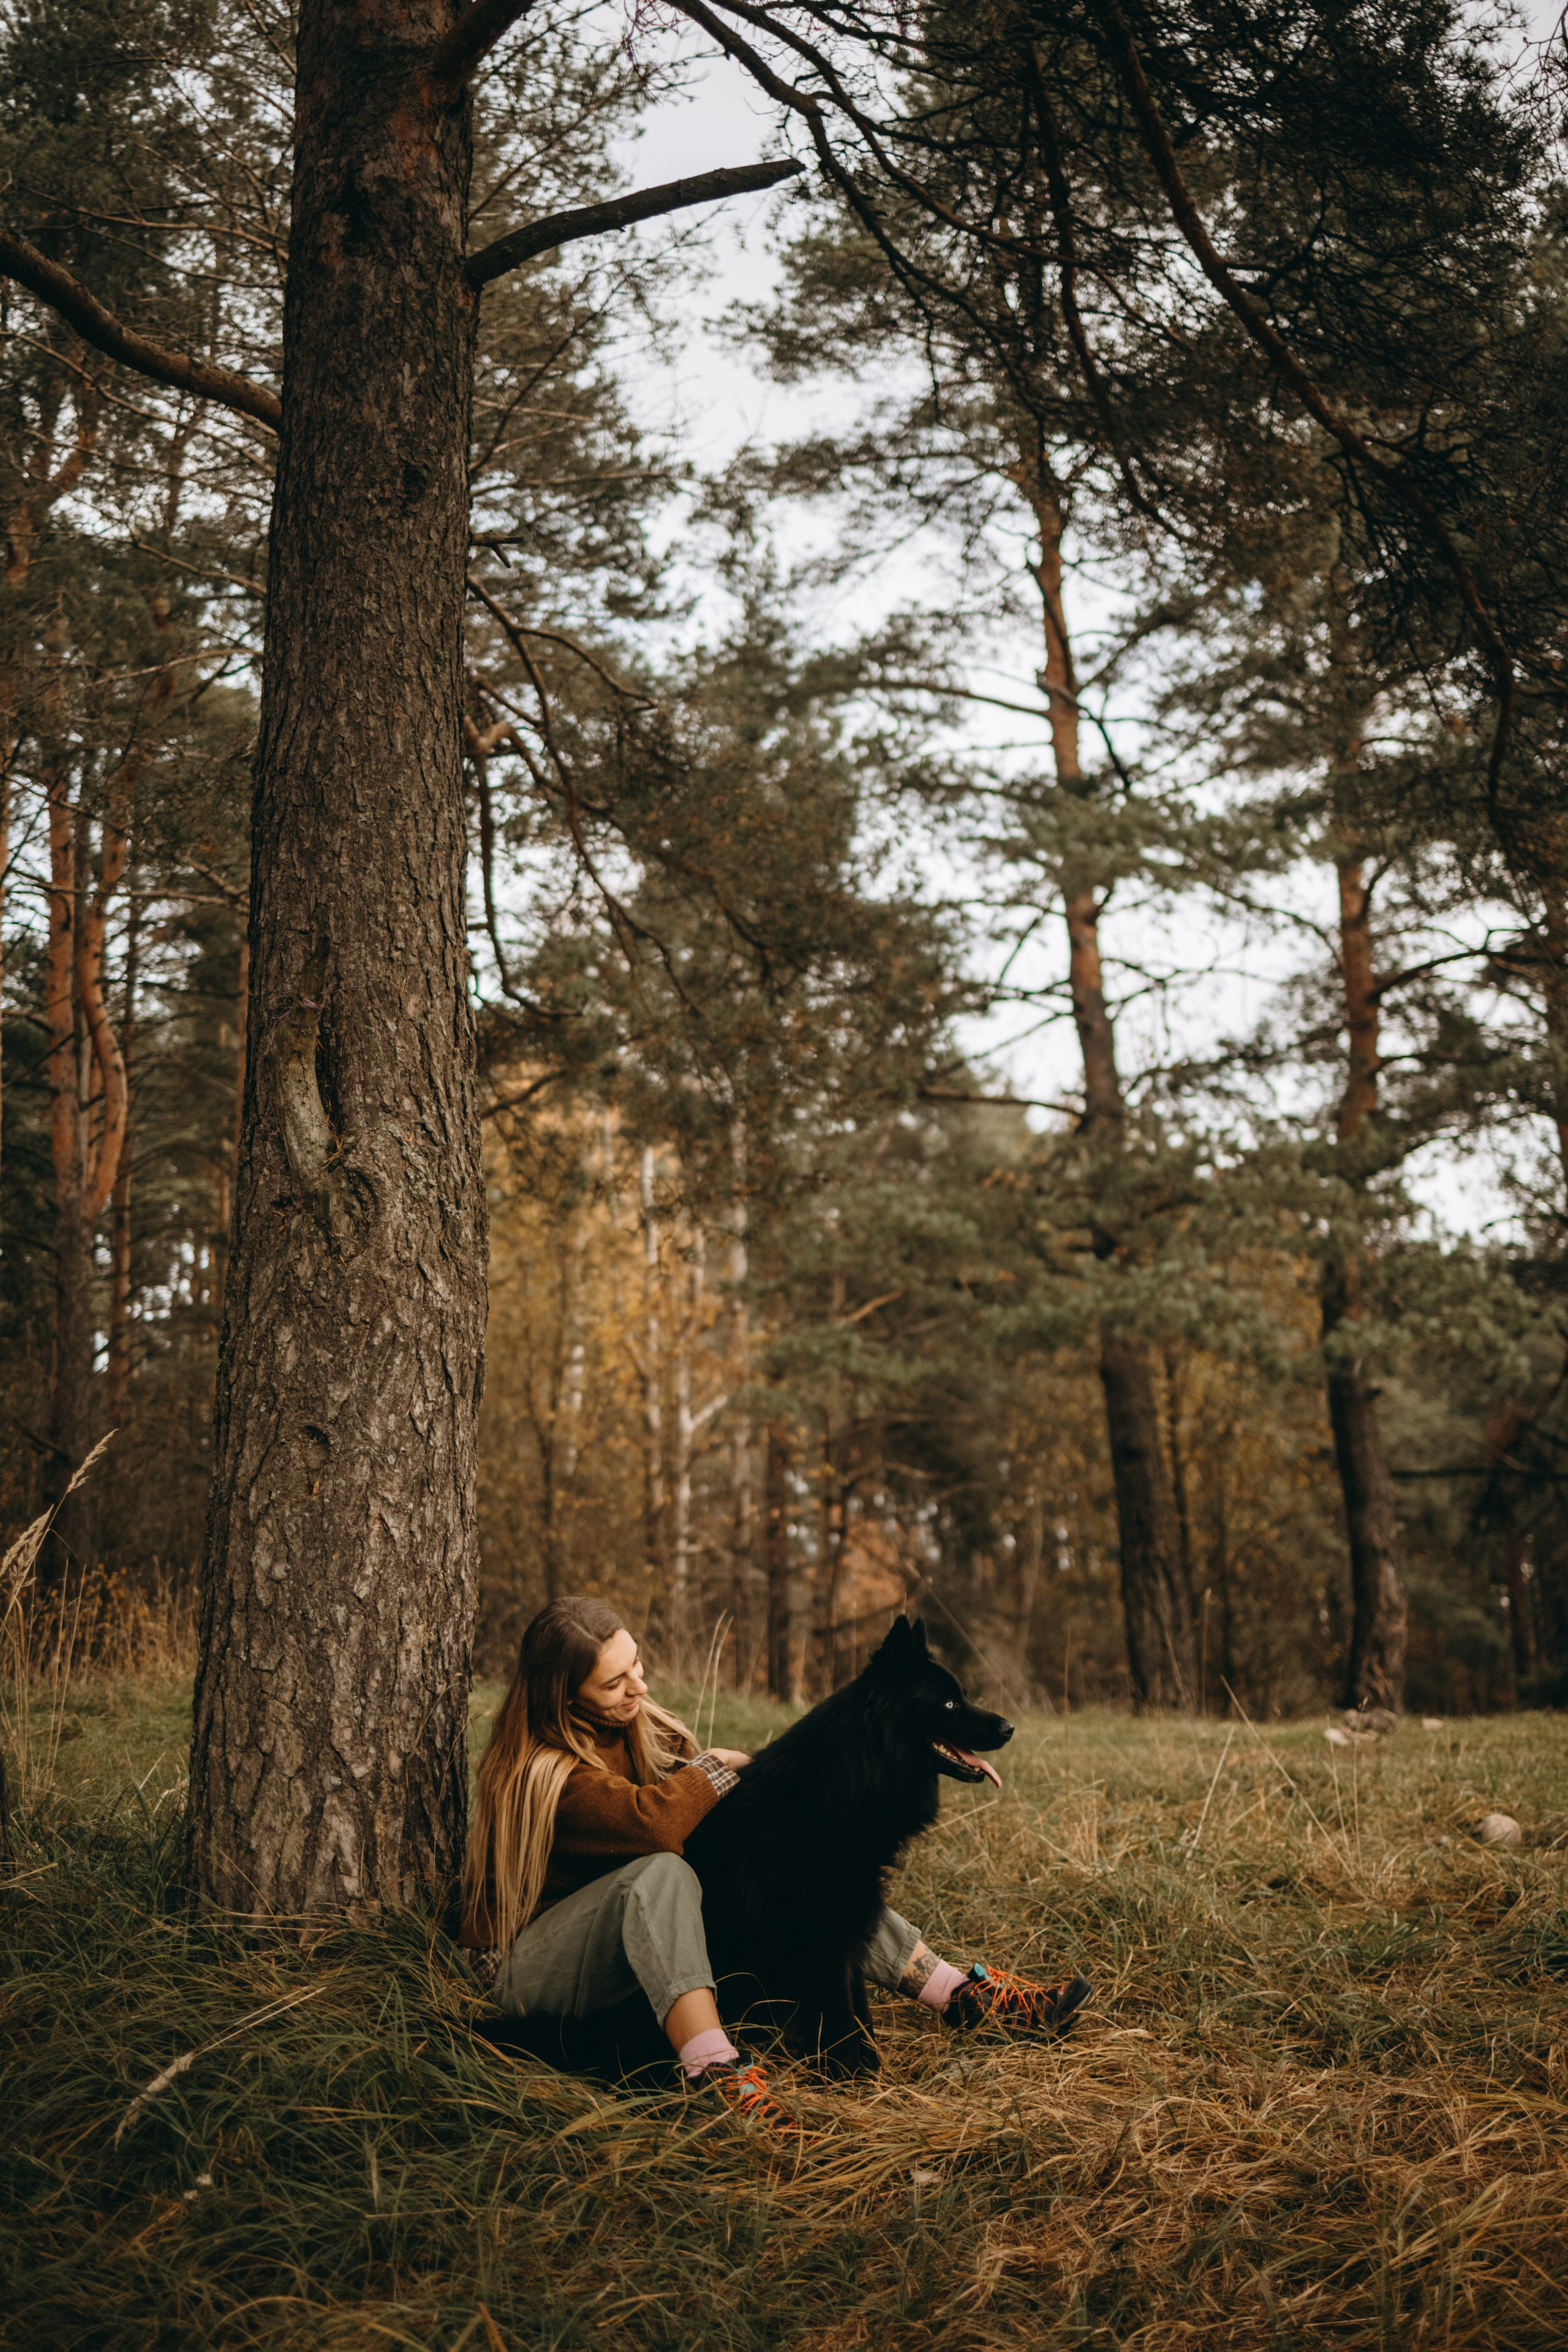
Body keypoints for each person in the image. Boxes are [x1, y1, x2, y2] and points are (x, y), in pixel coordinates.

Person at [461, 1594, 1091, 2130]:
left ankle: (961, 1995)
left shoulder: (640, 1727)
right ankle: (714, 2071)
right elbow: (651, 1826)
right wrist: (714, 1768)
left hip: (633, 1948)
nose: (641, 1687)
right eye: (614, 1682)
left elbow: (744, 1838)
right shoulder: (543, 1772)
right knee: (661, 1873)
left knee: (810, 1867)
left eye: (637, 1665)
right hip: (535, 1969)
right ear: (562, 1697)